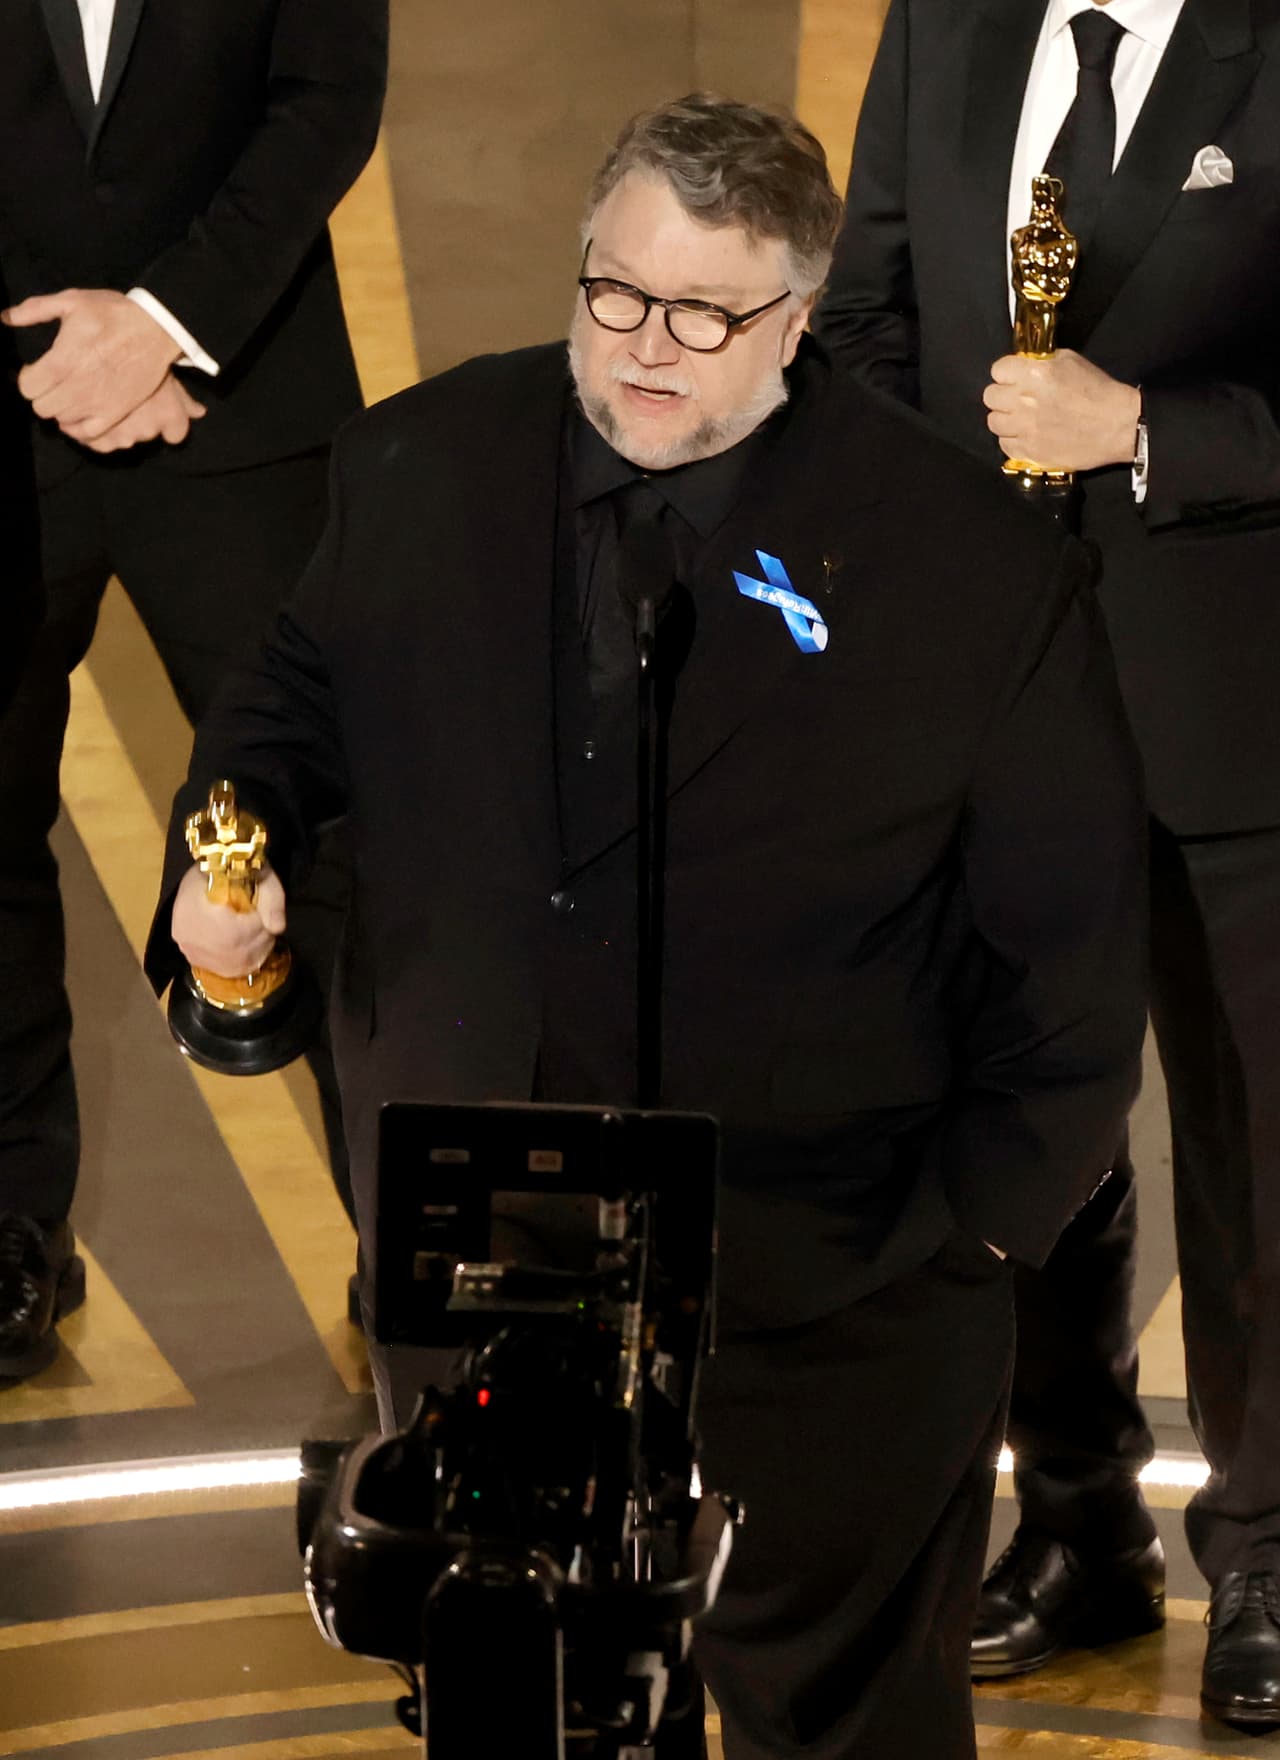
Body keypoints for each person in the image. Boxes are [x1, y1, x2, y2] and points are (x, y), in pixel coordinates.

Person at [149, 94, 1146, 1758]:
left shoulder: (968, 562)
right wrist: (218, 882)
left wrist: (974, 1229)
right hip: (477, 1271)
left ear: (800, 315)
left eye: (705, 314)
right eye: (617, 292)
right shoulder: (414, 463)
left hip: (838, 1288)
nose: (645, 350)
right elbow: (279, 721)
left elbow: (1073, 951)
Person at [814, 0, 1280, 1728]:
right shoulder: (948, 21)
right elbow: (863, 308)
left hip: (1235, 705)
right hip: (982, 705)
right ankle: (1078, 1521)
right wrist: (930, 536)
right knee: (1022, 1132)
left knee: (1254, 1145)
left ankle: (1268, 1546)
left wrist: (1145, 426)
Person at [0, 0, 388, 1382]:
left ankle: (402, 1241)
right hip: (10, 375)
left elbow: (329, 93)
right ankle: (8, 1232)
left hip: (244, 397)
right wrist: (69, 353)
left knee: (334, 836)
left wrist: (166, 324)